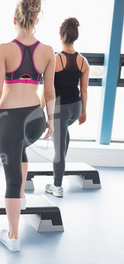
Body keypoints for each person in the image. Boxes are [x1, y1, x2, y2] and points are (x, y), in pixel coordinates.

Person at [0, 0, 55, 252]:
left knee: (11, 178)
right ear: (35, 21)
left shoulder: (4, 49)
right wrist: (51, 121)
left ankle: (13, 237)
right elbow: (49, 93)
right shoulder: (48, 51)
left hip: (9, 119)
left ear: (15, 19)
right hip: (35, 119)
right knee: (21, 148)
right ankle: (22, 198)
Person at [45, 18, 89, 197]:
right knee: (63, 140)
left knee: (58, 151)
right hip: (75, 108)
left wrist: (42, 112)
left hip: (60, 110)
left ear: (61, 36)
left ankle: (57, 186)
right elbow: (84, 90)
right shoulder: (83, 61)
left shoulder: (55, 60)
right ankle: (60, 170)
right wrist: (84, 111)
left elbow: (47, 90)